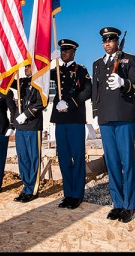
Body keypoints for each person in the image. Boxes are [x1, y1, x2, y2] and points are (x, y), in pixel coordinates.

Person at [91, 27, 135, 223]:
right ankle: (117, 203)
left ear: (116, 40)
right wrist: (96, 113)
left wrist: (123, 82)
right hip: (105, 119)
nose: (107, 43)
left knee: (126, 162)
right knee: (111, 163)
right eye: (104, 40)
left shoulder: (130, 59)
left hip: (123, 117)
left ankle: (129, 205)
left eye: (111, 40)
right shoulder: (97, 64)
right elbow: (96, 91)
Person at [49, 38, 92, 210]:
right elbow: (40, 76)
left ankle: (77, 195)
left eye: (66, 51)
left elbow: (88, 90)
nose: (63, 53)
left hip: (74, 118)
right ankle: (68, 194)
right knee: (64, 158)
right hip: (60, 120)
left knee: (78, 157)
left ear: (73, 52)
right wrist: (49, 59)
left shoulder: (81, 70)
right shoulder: (56, 70)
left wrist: (71, 102)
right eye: (61, 51)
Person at [11, 64, 46, 203]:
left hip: (32, 124)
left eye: (28, 67)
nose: (25, 69)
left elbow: (42, 102)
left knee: (33, 158)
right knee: (23, 158)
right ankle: (26, 187)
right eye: (24, 67)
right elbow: (6, 83)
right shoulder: (22, 82)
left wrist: (26, 114)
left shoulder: (40, 81)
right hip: (20, 126)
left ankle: (33, 190)